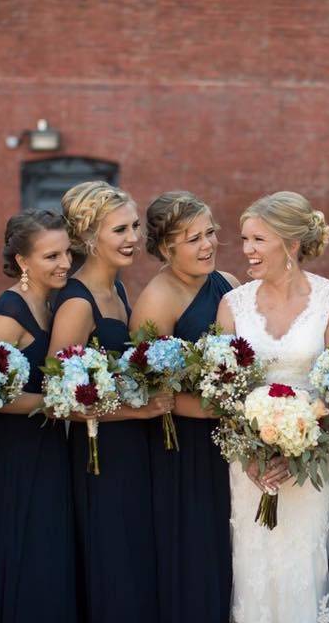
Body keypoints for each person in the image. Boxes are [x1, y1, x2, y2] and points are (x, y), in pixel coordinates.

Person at [216, 191, 329, 623]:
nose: (247, 251)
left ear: (291, 244)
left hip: (309, 459)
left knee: (305, 565)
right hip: (248, 462)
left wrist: (298, 444)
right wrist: (250, 451)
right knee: (253, 566)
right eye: (245, 239)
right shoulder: (232, 304)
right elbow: (223, 386)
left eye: (258, 240)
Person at [48, 181, 169, 623]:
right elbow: (59, 398)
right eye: (120, 229)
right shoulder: (78, 304)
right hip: (99, 456)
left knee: (135, 560)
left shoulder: (115, 292)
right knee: (113, 565)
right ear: (86, 236)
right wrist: (141, 409)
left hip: (130, 448)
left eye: (135, 226)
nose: (134, 237)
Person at [128, 191, 239, 623]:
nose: (207, 245)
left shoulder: (227, 282)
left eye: (210, 233)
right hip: (183, 448)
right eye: (192, 239)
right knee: (195, 552)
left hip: (228, 441)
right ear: (165, 247)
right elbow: (150, 392)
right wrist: (217, 408)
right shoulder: (157, 299)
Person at [0, 209, 76, 623]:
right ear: (22, 261)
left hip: (49, 446)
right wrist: (51, 405)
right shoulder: (6, 317)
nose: (65, 263)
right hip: (13, 456)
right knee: (21, 559)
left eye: (67, 253)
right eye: (51, 256)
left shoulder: (52, 303)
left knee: (49, 560)